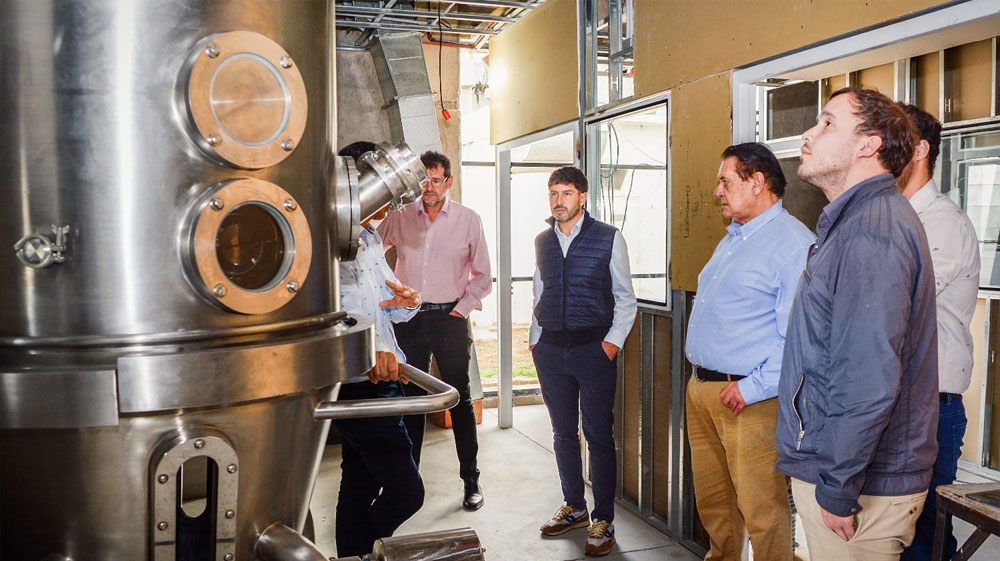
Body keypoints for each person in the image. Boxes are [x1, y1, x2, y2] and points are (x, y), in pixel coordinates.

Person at [775, 87, 938, 561]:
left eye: (827, 123)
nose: (809, 134)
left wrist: (838, 486)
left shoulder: (872, 232)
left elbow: (866, 377)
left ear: (869, 145)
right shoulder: (856, 223)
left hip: (860, 484)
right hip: (846, 471)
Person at [685, 143, 814, 561]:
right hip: (705, 391)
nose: (717, 191)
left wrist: (751, 388)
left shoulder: (793, 245)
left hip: (750, 401)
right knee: (716, 505)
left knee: (763, 510)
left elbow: (796, 337)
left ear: (757, 182)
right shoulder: (734, 239)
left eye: (725, 181)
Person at [530, 165, 637, 557]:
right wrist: (535, 340)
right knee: (562, 433)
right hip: (551, 350)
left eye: (567, 193)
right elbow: (540, 291)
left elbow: (625, 297)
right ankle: (574, 507)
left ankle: (603, 519)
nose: (559, 201)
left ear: (583, 197)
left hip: (594, 350)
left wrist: (611, 344)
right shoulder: (543, 241)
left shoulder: (608, 238)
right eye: (553, 193)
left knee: (598, 435)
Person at [377, 150, 492, 511]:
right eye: (423, 180)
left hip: (449, 319)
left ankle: (471, 480)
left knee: (459, 399)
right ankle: (407, 485)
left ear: (449, 182)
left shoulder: (468, 220)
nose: (429, 187)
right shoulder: (399, 217)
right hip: (408, 320)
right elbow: (369, 251)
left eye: (436, 180)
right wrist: (384, 292)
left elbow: (483, 275)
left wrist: (460, 312)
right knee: (411, 400)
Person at [331, 141, 425, 558]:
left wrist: (408, 300)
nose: (385, 209)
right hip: (359, 384)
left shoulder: (368, 239)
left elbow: (387, 307)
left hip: (386, 379)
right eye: (380, 197)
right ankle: (363, 551)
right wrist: (369, 351)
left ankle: (353, 554)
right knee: (408, 492)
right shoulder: (326, 242)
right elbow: (328, 314)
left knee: (358, 484)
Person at [896, 104, 980, 561]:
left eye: (895, 141)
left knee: (923, 538)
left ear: (920, 150)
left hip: (930, 407)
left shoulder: (941, 221)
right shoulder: (894, 217)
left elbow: (899, 302)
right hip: (895, 401)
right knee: (891, 532)